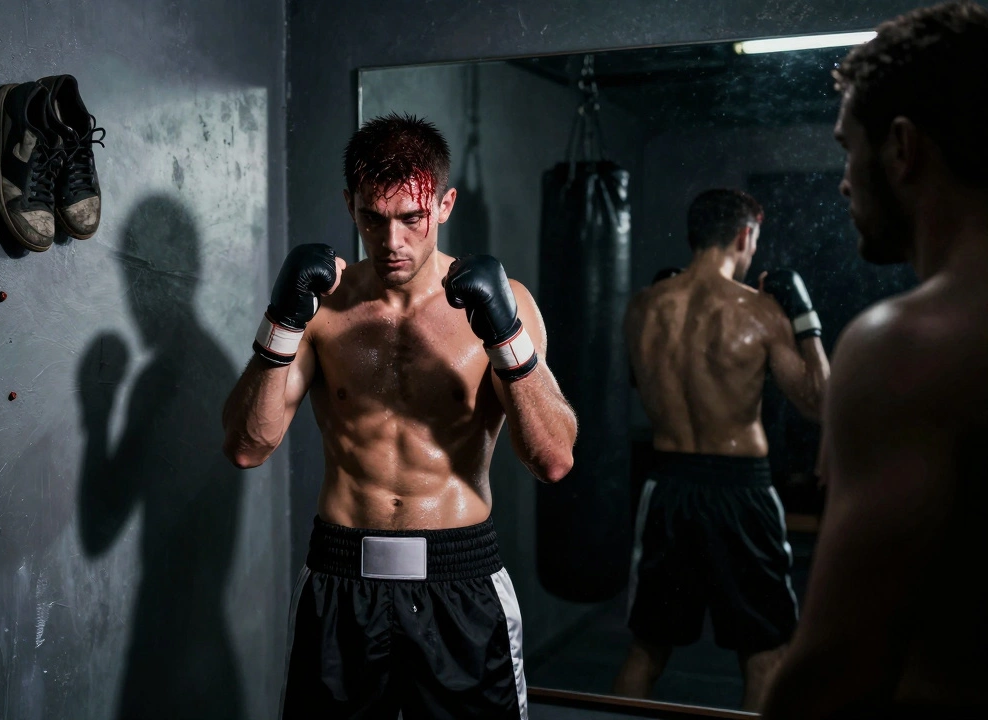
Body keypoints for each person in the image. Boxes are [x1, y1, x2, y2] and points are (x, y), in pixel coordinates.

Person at [222, 113, 578, 719]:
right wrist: (280, 322)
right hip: (340, 578)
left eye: (412, 219)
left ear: (444, 205)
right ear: (350, 205)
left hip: (459, 581)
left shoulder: (506, 301)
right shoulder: (322, 310)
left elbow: (553, 460)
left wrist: (506, 338)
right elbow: (248, 446)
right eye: (371, 218)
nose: (392, 243)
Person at [764, 3, 988, 718]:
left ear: (901, 148)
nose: (842, 180)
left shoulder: (910, 343)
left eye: (845, 148)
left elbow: (832, 673)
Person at [614, 189, 830, 711]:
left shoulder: (644, 306)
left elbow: (640, 384)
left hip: (668, 487)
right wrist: (804, 318)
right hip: (741, 492)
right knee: (764, 653)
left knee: (647, 650)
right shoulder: (759, 312)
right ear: (743, 235)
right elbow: (821, 403)